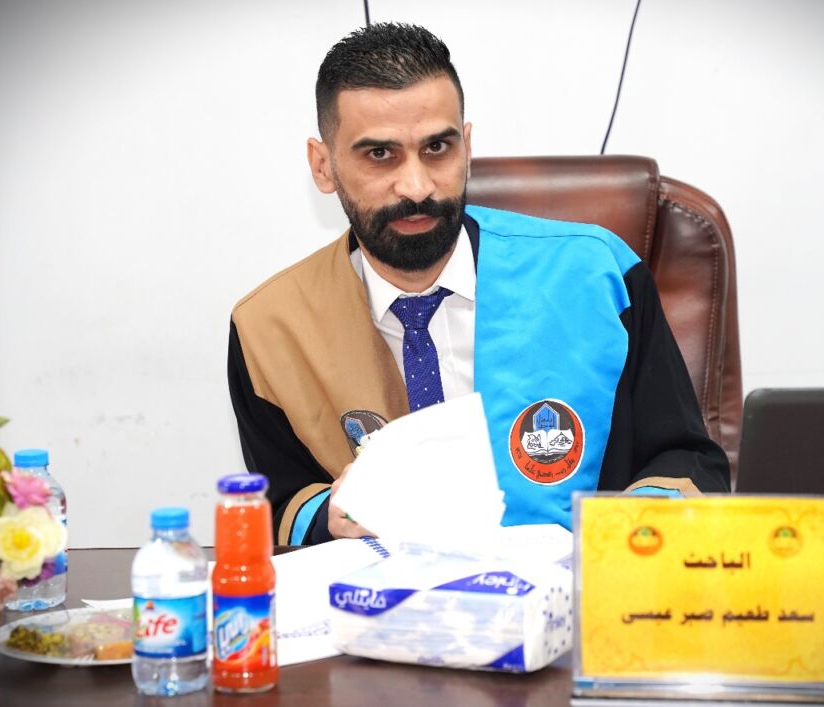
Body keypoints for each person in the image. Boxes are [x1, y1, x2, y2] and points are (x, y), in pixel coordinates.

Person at [228, 23, 729, 546]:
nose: (416, 186)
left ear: (466, 147)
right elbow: (279, 499)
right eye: (379, 154)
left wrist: (628, 535)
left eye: (437, 148)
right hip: (386, 591)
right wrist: (331, 513)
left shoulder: (598, 276)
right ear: (323, 166)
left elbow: (687, 459)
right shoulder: (269, 329)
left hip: (577, 581)